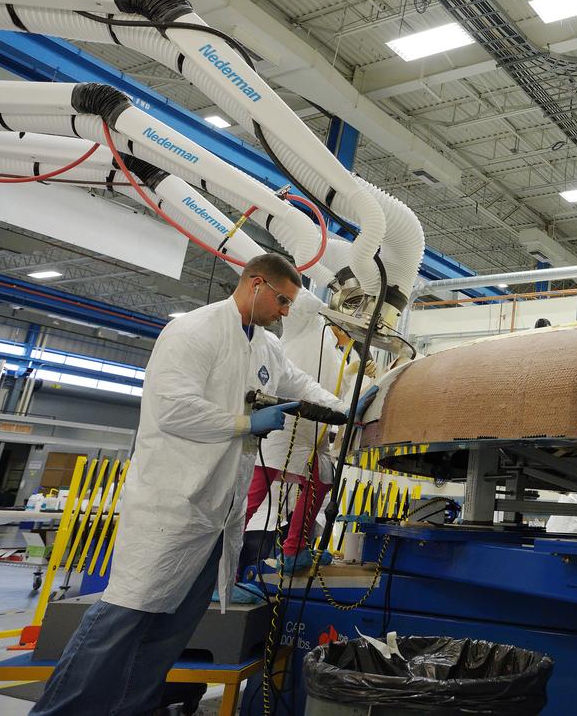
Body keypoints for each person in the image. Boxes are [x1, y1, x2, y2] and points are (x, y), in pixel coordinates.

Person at [32, 253, 349, 716]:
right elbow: (172, 409)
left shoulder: (265, 346)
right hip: (172, 508)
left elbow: (298, 383)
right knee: (123, 619)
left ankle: (134, 709)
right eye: (282, 300)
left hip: (216, 518)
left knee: (170, 635)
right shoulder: (193, 330)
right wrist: (244, 422)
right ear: (255, 283)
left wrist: (345, 405)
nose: (285, 311)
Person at [242, 289, 375, 574]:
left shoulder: (341, 355)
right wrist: (336, 293)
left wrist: (359, 378)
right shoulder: (308, 323)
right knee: (250, 497)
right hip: (282, 426)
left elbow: (335, 397)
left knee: (322, 481)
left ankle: (295, 550)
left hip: (315, 433)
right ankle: (219, 566)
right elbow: (302, 300)